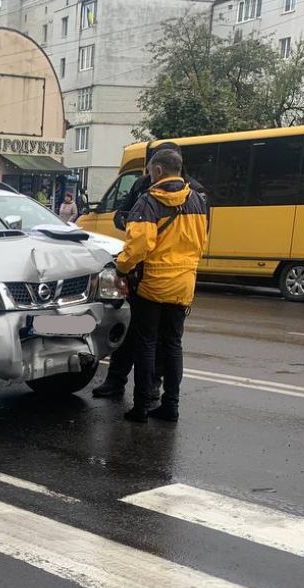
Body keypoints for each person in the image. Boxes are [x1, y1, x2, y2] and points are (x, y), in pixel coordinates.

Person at [93, 141, 207, 399]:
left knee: (149, 341)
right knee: (162, 340)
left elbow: (140, 242)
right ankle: (140, 389)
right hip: (178, 279)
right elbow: (201, 239)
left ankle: (146, 395)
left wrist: (123, 268)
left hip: (149, 276)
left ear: (159, 167)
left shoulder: (178, 194)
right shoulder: (192, 196)